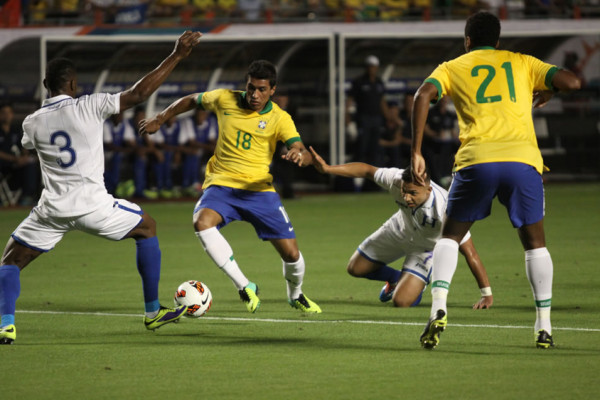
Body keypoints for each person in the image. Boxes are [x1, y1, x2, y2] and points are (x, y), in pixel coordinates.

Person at [0, 31, 203, 345]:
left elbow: (30, 147)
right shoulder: (90, 105)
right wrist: (177, 55)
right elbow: (139, 94)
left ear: (45, 86)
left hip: (53, 211)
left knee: (10, 260)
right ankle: (152, 312)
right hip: (94, 206)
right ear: (73, 85)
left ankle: (6, 325)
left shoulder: (31, 122)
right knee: (147, 227)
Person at [410, 11, 581, 350]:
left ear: (468, 40)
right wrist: (551, 91)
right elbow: (573, 82)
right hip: (522, 161)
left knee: (450, 237)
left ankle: (438, 307)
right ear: (499, 41)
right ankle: (543, 326)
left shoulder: (453, 66)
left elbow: (421, 96)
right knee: (535, 244)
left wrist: (416, 151)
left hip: (477, 161)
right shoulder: (522, 62)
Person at [140, 59, 322, 314]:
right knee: (201, 222)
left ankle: (296, 294)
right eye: (250, 88)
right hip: (222, 185)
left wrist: (298, 154)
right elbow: (192, 100)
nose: (254, 95)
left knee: (292, 254)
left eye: (261, 90)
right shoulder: (225, 99)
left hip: (259, 191)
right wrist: (161, 117)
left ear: (272, 90)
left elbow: (299, 147)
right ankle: (244, 285)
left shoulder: (280, 118)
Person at [310, 146, 493, 309]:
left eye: (413, 193)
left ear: (428, 190)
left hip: (425, 249)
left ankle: (412, 285)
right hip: (398, 230)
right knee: (355, 268)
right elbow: (367, 170)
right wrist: (328, 169)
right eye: (405, 192)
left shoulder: (446, 208)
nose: (406, 197)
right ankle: (396, 278)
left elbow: (470, 252)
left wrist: (486, 294)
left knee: (401, 302)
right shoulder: (396, 179)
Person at [346, 55, 392, 190]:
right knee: (361, 150)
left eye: (374, 67)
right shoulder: (359, 82)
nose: (372, 69)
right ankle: (356, 183)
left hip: (376, 120)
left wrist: (389, 118)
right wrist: (348, 120)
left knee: (375, 151)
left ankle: (372, 183)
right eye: (370, 66)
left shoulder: (379, 82)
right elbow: (349, 101)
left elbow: (382, 102)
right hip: (363, 120)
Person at [0, 103, 39, 206]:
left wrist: (24, 155)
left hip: (16, 166)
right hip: (3, 166)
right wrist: (14, 159)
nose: (7, 115)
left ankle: (28, 196)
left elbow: (24, 146)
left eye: (9, 113)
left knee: (32, 164)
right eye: (4, 113)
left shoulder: (16, 130)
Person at [103, 111, 136, 196]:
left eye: (121, 115)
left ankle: (127, 188)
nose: (120, 117)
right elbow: (109, 145)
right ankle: (112, 189)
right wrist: (125, 150)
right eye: (118, 115)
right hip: (105, 154)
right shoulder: (106, 124)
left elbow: (131, 141)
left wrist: (132, 147)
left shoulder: (124, 124)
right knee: (116, 158)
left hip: (118, 154)